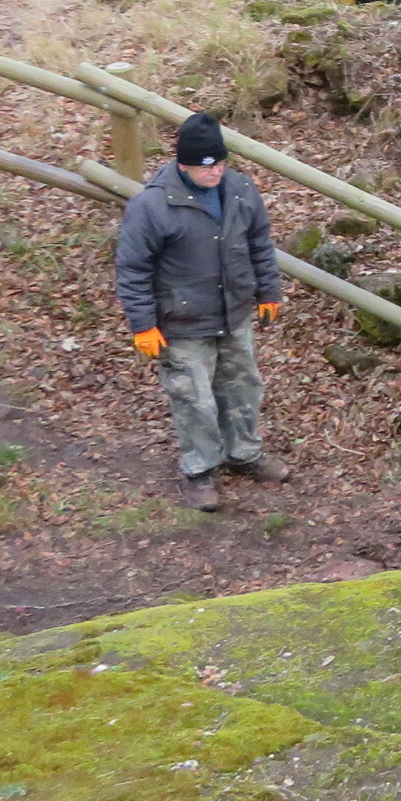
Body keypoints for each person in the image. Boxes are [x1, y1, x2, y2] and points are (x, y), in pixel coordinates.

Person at [114, 111, 291, 511]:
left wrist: (268, 291)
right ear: (184, 164)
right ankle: (200, 470)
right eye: (205, 167)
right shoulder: (152, 206)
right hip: (183, 324)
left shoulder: (241, 190)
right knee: (195, 400)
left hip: (234, 314)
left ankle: (244, 454)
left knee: (243, 388)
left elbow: (260, 245)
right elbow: (133, 270)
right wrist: (142, 324)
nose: (215, 173)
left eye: (220, 164)